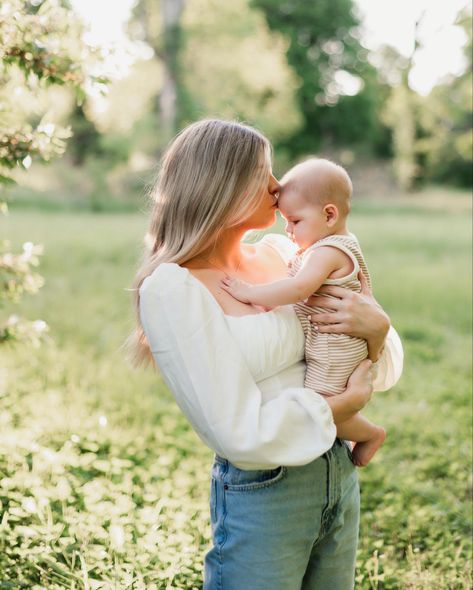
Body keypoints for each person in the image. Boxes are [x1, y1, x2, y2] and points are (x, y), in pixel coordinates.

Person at [126, 119, 403, 589]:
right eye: (263, 172)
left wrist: (377, 330)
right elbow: (238, 433)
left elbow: (375, 359)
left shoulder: (286, 256)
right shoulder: (172, 289)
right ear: (224, 186)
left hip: (339, 470)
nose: (278, 187)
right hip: (266, 492)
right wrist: (342, 407)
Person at [221, 158, 386, 468]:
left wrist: (248, 292)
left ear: (329, 214)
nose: (288, 230)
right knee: (326, 405)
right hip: (337, 341)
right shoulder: (333, 244)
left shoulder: (327, 251)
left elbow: (298, 289)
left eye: (295, 221)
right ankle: (363, 432)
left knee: (324, 404)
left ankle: (369, 434)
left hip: (336, 347)